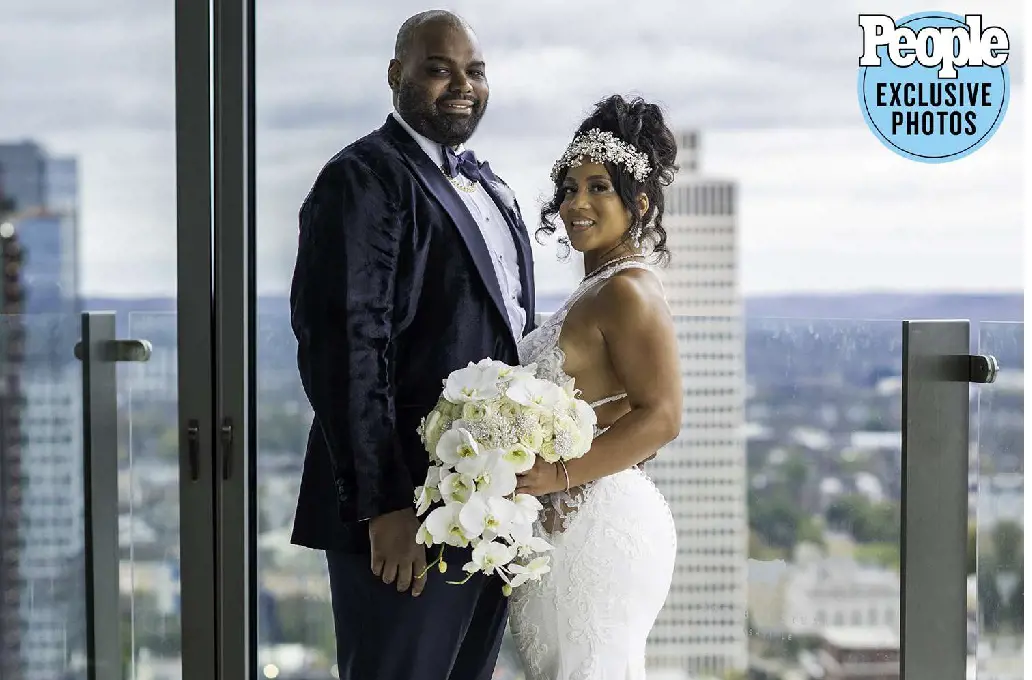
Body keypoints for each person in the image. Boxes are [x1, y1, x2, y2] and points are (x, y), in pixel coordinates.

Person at [288, 10, 535, 680]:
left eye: (475, 70)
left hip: (484, 506)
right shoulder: (363, 177)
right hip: (404, 515)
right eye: (438, 67)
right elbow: (343, 346)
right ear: (397, 75)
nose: (462, 84)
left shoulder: (492, 187)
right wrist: (385, 504)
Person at [506, 94, 682, 680]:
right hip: (557, 531)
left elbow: (662, 418)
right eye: (568, 187)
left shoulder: (627, 290)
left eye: (598, 186)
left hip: (597, 533)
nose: (575, 203)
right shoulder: (594, 290)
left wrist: (555, 475)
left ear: (640, 202)